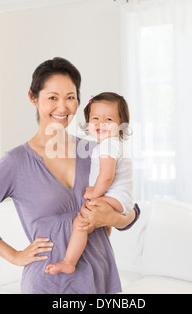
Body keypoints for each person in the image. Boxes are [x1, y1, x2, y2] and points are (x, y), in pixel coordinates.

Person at [0, 57, 140, 294]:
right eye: (52, 97)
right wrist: (15, 255)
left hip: (101, 277)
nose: (63, 107)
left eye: (70, 97)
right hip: (49, 283)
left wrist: (113, 219)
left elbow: (132, 210)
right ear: (33, 98)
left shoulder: (96, 151)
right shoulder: (16, 162)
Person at [45, 92, 133, 275]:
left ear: (121, 123)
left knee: (80, 222)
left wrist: (94, 193)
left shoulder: (109, 145)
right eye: (95, 118)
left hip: (115, 197)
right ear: (88, 121)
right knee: (97, 226)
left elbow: (106, 176)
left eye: (108, 119)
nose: (101, 123)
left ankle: (69, 261)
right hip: (121, 198)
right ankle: (102, 249)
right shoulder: (112, 144)